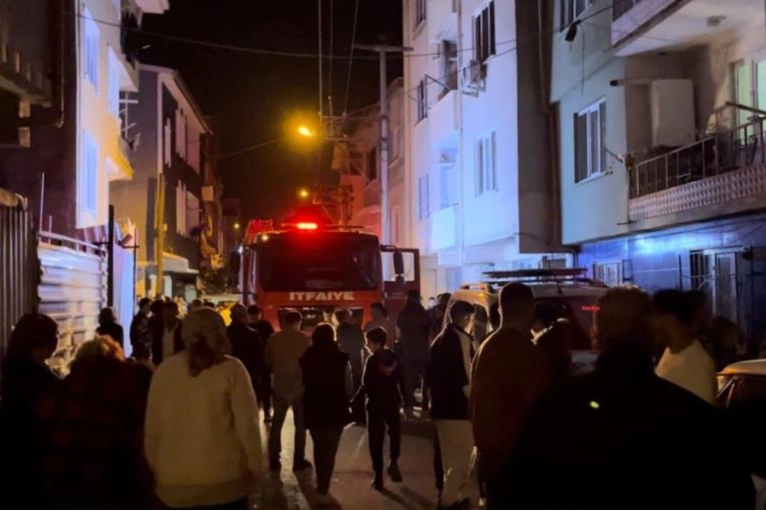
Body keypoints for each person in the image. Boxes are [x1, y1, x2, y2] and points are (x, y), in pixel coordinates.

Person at [501, 288, 755, 510]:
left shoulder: (553, 414)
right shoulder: (696, 420)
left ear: (595, 336)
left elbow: (515, 492)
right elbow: (736, 493)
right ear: (653, 336)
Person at [144, 308, 263, 510]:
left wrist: (157, 466)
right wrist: (256, 467)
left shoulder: (164, 371)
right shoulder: (232, 369)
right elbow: (247, 425)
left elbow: (153, 428)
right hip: (225, 481)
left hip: (174, 482)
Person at [45, 337, 155, 511]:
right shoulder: (127, 380)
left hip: (73, 474)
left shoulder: (70, 384)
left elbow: (58, 427)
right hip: (118, 472)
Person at [470, 283, 549, 509]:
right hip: (517, 457)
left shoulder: (486, 347)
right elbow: (537, 407)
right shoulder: (525, 352)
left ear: (500, 310)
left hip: (490, 455)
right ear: (530, 309)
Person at [0, 314, 62, 509]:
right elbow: (46, 411)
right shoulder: (32, 375)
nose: (58, 340)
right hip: (32, 457)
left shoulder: (14, 366)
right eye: (55, 335)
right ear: (43, 339)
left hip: (14, 452)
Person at [428, 301, 479, 510]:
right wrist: (475, 402)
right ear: (467, 318)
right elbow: (465, 377)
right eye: (472, 319)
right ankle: (449, 501)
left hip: (441, 408)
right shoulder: (460, 340)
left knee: (450, 459)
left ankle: (453, 498)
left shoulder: (440, 340)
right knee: (463, 458)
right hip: (457, 410)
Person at [300, 323, 353, 504]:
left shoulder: (307, 356)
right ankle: (324, 483)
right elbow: (348, 384)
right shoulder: (342, 357)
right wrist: (347, 401)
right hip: (336, 407)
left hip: (314, 406)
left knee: (319, 444)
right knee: (331, 448)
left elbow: (301, 382)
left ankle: (321, 478)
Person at [352, 327, 407, 490]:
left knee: (375, 440)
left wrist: (355, 399)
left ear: (376, 343)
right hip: (392, 401)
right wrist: (406, 401)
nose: (366, 345)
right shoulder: (395, 358)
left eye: (368, 341)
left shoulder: (372, 360)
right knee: (394, 433)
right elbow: (402, 380)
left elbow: (366, 384)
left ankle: (378, 476)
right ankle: (393, 461)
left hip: (375, 403)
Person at [265, 310, 312, 472]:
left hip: (279, 384)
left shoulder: (273, 339)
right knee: (300, 424)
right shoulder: (304, 339)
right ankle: (298, 459)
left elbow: (267, 361)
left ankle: (273, 457)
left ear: (284, 322)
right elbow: (309, 362)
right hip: (299, 385)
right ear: (298, 322)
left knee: (277, 423)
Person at [654, 289, 717, 405]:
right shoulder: (669, 352)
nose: (650, 325)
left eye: (654, 317)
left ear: (669, 319)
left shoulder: (697, 364)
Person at [397, 289, 432, 416]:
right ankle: (425, 406)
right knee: (425, 380)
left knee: (408, 381)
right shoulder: (424, 314)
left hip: (407, 352)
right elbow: (429, 331)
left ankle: (408, 407)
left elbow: (399, 332)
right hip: (422, 351)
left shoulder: (403, 314)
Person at [227, 304, 264, 399]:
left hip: (228, 374)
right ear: (244, 316)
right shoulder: (252, 334)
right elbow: (259, 356)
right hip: (249, 373)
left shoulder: (225, 333)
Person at [336, 308, 365, 422]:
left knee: (346, 381)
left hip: (344, 356)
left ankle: (348, 406)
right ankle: (358, 406)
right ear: (345, 317)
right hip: (355, 356)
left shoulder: (340, 329)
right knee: (358, 380)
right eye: (349, 315)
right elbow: (362, 342)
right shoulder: (355, 328)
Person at [248, 305, 275, 422]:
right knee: (263, 388)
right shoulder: (266, 326)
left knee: (261, 388)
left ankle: (263, 411)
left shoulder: (248, 327)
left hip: (255, 362)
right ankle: (265, 412)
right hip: (261, 361)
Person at [151, 301, 184, 367]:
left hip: (178, 366)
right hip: (161, 365)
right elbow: (155, 346)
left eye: (171, 315)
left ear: (176, 313)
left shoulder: (183, 329)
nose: (168, 318)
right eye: (166, 315)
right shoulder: (158, 328)